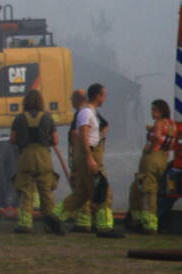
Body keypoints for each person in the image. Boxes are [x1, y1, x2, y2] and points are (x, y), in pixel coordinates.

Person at [52, 83, 124, 238]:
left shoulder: (90, 112)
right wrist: (90, 158)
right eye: (103, 95)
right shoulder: (86, 113)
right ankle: (104, 227)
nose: (105, 98)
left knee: (82, 193)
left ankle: (54, 219)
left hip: (87, 155)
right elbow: (83, 135)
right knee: (103, 190)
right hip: (89, 156)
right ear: (97, 96)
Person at [9, 89, 64, 235]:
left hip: (25, 156)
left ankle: (24, 224)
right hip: (43, 156)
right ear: (41, 101)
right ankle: (50, 225)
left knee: (26, 191)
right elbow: (56, 140)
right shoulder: (47, 117)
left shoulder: (19, 118)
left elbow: (13, 140)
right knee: (46, 192)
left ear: (25, 102)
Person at [127, 99, 175, 234]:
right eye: (152, 109)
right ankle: (139, 220)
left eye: (155, 110)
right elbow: (170, 142)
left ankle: (148, 224)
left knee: (147, 191)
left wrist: (150, 144)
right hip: (163, 158)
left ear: (161, 111)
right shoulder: (171, 124)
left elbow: (157, 138)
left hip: (151, 159)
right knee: (138, 188)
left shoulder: (159, 123)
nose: (152, 112)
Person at [66, 89, 94, 233]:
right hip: (82, 155)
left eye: (72, 99)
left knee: (81, 187)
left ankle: (83, 221)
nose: (70, 102)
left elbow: (80, 134)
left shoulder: (82, 114)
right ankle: (86, 220)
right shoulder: (89, 112)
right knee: (84, 187)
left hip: (81, 156)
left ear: (77, 100)